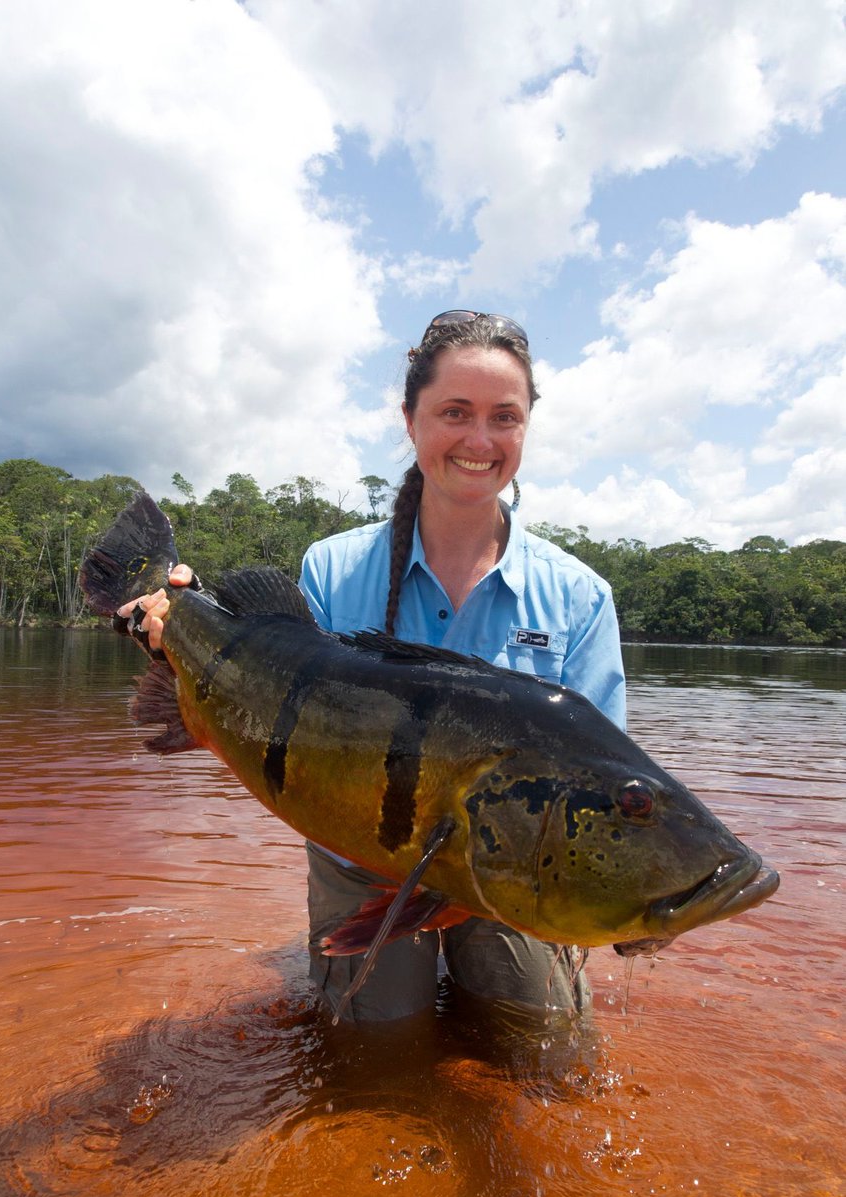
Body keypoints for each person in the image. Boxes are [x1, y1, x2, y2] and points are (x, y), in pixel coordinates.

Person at [119, 309, 626, 1026]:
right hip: (359, 853)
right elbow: (271, 715)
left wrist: (639, 897)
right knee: (374, 1045)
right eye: (455, 412)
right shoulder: (332, 569)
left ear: (526, 428)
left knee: (540, 1047)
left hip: (520, 871)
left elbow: (604, 780)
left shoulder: (580, 597)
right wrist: (178, 637)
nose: (480, 440)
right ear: (411, 420)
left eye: (504, 417)